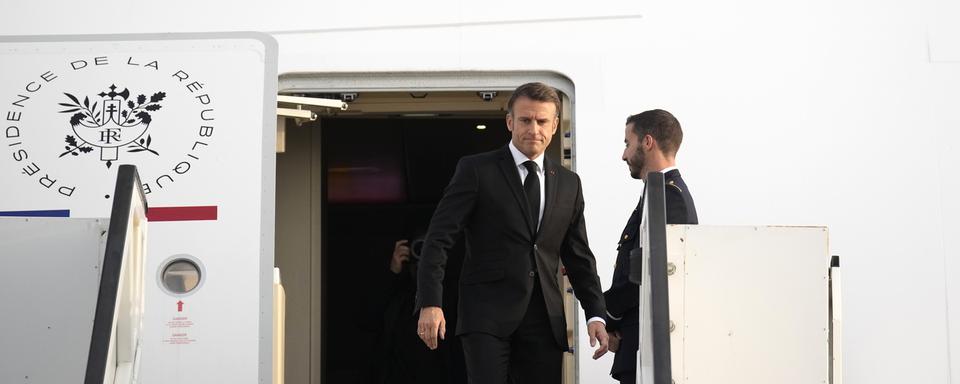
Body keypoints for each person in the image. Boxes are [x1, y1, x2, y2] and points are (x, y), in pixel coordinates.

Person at [415, 82, 609, 384]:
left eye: (542, 121)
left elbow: (579, 256)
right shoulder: (477, 170)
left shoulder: (569, 183)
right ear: (510, 122)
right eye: (525, 120)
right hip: (486, 317)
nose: (534, 128)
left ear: (555, 125)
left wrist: (595, 313)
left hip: (544, 319)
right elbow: (438, 239)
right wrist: (431, 301)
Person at [604, 109, 698, 384]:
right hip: (635, 342)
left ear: (647, 142)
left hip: (647, 347)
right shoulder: (658, 193)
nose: (623, 155)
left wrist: (605, 313)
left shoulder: (670, 198)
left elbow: (651, 272)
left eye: (627, 143)